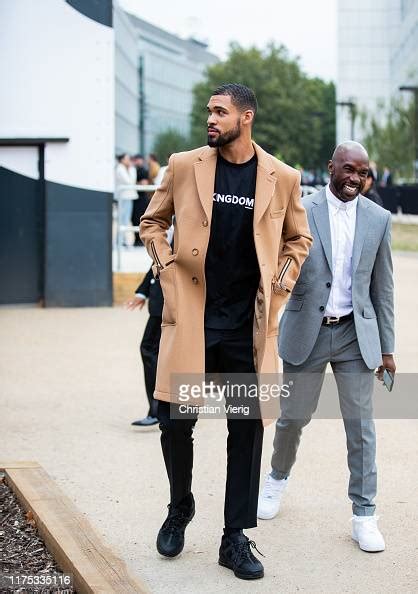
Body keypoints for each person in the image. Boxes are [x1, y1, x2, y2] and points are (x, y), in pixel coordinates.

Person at [140, 83, 312, 579]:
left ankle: (234, 537)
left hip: (246, 328)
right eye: (208, 111)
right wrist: (168, 271)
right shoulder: (183, 165)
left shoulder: (281, 177)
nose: (210, 119)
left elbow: (297, 239)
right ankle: (180, 506)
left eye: (220, 111)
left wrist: (279, 287)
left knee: (246, 430)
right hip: (193, 318)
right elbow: (152, 223)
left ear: (247, 117)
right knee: (174, 419)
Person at [257, 141, 396, 554]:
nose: (355, 178)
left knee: (361, 426)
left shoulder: (379, 218)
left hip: (356, 334)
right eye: (348, 169)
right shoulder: (300, 206)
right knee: (293, 417)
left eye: (363, 172)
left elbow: (382, 288)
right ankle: (277, 479)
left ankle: (365, 514)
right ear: (331, 167)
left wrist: (387, 348)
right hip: (308, 331)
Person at [126, 266, 163, 427]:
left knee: (149, 350)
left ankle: (159, 411)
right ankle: (166, 411)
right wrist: (143, 291)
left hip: (169, 304)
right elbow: (157, 260)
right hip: (165, 303)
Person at [115, 154, 137, 246]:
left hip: (129, 197)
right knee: (122, 220)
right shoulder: (120, 169)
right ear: (122, 160)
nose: (129, 161)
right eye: (127, 159)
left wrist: (131, 169)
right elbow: (129, 182)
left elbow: (133, 181)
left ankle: (122, 241)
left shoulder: (130, 169)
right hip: (123, 197)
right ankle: (119, 242)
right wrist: (131, 169)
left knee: (126, 220)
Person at [131, 154, 150, 247]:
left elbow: (144, 184)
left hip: (142, 199)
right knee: (134, 219)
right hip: (135, 198)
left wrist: (133, 183)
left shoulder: (143, 170)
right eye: (135, 160)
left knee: (139, 219)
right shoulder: (134, 170)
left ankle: (140, 240)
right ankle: (136, 240)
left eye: (138, 159)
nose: (136, 161)